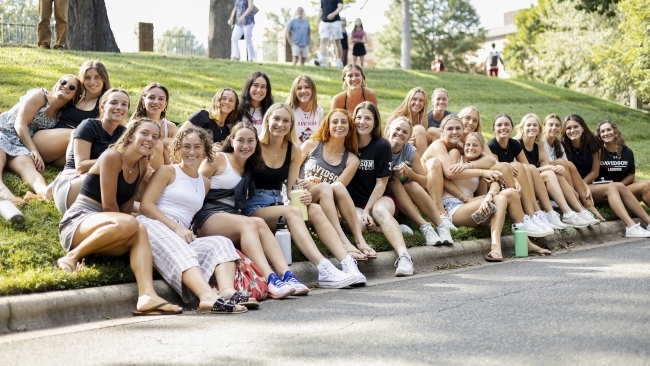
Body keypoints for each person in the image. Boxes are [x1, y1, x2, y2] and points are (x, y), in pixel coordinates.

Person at [55, 118, 183, 316]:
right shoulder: (112, 156)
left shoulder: (141, 164)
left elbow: (127, 205)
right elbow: (108, 206)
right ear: (131, 135)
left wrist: (129, 230)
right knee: (133, 223)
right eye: (145, 134)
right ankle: (72, 257)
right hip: (81, 219)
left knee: (140, 229)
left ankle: (147, 296)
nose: (150, 139)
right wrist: (127, 225)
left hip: (109, 224)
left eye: (155, 137)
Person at [244, 103, 361, 287]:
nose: (280, 124)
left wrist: (303, 194)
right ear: (267, 120)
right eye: (276, 119)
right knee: (292, 213)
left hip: (278, 204)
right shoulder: (254, 145)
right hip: (254, 207)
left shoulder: (293, 150)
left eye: (285, 121)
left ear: (291, 125)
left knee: (313, 208)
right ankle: (323, 268)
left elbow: (292, 190)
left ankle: (347, 263)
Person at [138, 127, 249, 314]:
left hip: (181, 233)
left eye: (197, 147)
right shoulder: (167, 171)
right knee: (180, 247)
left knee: (221, 243)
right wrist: (177, 229)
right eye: (186, 146)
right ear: (178, 149)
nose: (191, 152)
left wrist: (184, 231)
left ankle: (227, 291)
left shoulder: (205, 183)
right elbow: (146, 206)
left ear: (205, 151)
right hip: (154, 225)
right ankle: (206, 297)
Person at [193, 122, 305, 297]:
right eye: (241, 140)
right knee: (248, 224)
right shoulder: (218, 159)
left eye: (250, 141)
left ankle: (287, 275)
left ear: (256, 144)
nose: (245, 146)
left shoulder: (249, 165)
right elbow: (193, 184)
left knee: (259, 223)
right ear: (231, 140)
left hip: (232, 216)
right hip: (208, 214)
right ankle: (269, 278)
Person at [442, 132, 551, 261]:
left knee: (511, 193)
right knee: (500, 198)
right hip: (453, 207)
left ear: (482, 149)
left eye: (475, 145)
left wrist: (489, 196)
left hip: (472, 206)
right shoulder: (456, 155)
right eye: (468, 145)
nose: (471, 148)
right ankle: (495, 247)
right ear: (463, 146)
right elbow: (446, 178)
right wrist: (469, 195)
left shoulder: (482, 163)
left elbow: (495, 182)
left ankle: (525, 242)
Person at [348, 102, 415, 277]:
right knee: (359, 225)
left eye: (368, 118)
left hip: (380, 197)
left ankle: (404, 257)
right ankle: (390, 228)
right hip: (354, 202)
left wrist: (368, 209)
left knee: (379, 211)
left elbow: (381, 183)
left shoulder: (381, 145)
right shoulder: (347, 144)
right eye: (359, 117)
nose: (362, 122)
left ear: (375, 122)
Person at [299, 108, 377, 259]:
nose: (339, 125)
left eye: (344, 122)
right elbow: (290, 176)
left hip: (324, 205)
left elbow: (336, 189)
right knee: (326, 187)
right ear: (327, 126)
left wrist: (315, 185)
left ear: (349, 128)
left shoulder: (352, 160)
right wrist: (304, 183)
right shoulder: (311, 145)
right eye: (335, 122)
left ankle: (360, 241)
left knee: (336, 186)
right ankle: (343, 241)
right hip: (300, 200)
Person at [563, 114, 650, 237]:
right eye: (568, 128)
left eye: (575, 127)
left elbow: (594, 172)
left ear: (583, 127)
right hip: (574, 187)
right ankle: (631, 226)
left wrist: (585, 185)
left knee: (619, 185)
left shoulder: (592, 144)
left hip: (589, 185)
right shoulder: (563, 146)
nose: (572, 131)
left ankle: (648, 222)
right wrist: (582, 186)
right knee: (612, 187)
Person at [0, 75, 80, 205]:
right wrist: (34, 150)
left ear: (75, 96)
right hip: (3, 131)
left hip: (20, 144)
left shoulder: (62, 115)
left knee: (28, 166)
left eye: (71, 87)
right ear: (57, 84)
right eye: (63, 82)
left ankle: (43, 192)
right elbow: (20, 124)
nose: (66, 86)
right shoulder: (40, 96)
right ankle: (5, 194)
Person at [50, 88, 129, 214]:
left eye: (124, 104)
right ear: (103, 107)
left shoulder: (124, 134)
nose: (119, 107)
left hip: (103, 185)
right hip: (73, 180)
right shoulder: (89, 125)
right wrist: (110, 160)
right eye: (113, 103)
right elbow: (81, 166)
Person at [514, 113, 595, 227]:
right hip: (522, 183)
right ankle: (565, 212)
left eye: (534, 125)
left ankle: (575, 211)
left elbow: (546, 170)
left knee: (554, 173)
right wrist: (548, 167)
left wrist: (552, 168)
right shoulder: (516, 144)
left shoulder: (539, 146)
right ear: (522, 128)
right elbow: (521, 171)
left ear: (539, 129)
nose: (532, 128)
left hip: (536, 181)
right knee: (550, 173)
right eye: (528, 125)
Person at [487, 113, 561, 234]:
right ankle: (528, 217)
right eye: (499, 125)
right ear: (494, 129)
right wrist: (515, 178)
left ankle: (534, 215)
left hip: (512, 181)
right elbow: (498, 169)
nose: (503, 127)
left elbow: (527, 167)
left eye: (506, 124)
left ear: (511, 128)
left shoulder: (514, 144)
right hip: (496, 184)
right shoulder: (491, 146)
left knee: (529, 168)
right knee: (517, 166)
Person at [384, 116, 453, 245]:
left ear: (409, 137)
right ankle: (425, 226)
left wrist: (411, 174)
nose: (400, 133)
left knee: (412, 184)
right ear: (388, 129)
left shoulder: (409, 150)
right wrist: (392, 173)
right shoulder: (381, 146)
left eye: (405, 132)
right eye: (397, 129)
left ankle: (441, 226)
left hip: (403, 195)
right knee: (394, 182)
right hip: (384, 193)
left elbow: (424, 182)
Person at [34, 60, 111, 167]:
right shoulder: (74, 97)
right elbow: (53, 100)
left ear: (104, 79)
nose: (92, 82)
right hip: (45, 139)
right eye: (87, 77)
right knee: (78, 133)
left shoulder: (107, 103)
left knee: (82, 138)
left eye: (97, 77)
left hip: (66, 151)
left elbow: (120, 129)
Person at [542, 113, 604, 222]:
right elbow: (546, 166)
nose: (554, 128)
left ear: (560, 128)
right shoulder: (541, 143)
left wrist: (585, 186)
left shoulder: (558, 144)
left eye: (557, 125)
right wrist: (572, 189)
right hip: (545, 181)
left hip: (558, 180)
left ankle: (587, 206)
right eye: (550, 125)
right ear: (543, 127)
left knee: (568, 164)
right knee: (562, 162)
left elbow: (568, 167)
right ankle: (579, 205)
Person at [596, 120, 650, 207]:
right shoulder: (597, 152)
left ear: (615, 131)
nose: (606, 133)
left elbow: (630, 175)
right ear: (599, 135)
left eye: (609, 130)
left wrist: (620, 186)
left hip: (621, 187)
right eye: (602, 131)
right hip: (604, 191)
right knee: (644, 186)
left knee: (649, 183)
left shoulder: (627, 152)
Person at [130, 83, 178, 168]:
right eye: (151, 97)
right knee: (157, 144)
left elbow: (179, 155)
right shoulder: (134, 124)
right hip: (142, 171)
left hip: (168, 172)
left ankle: (175, 179)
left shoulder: (170, 127)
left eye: (161, 99)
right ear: (143, 101)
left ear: (166, 103)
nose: (156, 102)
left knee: (168, 143)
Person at [386, 87, 428, 157]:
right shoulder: (396, 117)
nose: (417, 103)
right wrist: (404, 142)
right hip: (396, 150)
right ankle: (421, 165)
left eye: (421, 100)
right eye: (414, 99)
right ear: (408, 100)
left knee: (432, 132)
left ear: (424, 103)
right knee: (419, 129)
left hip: (413, 152)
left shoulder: (423, 118)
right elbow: (385, 139)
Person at [286, 75, 323, 144]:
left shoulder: (319, 110)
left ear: (313, 90)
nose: (303, 91)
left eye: (307, 87)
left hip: (313, 150)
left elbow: (319, 135)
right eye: (299, 88)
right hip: (294, 149)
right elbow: (288, 136)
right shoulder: (289, 110)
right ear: (294, 92)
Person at [238, 72, 274, 136]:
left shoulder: (272, 112)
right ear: (249, 87)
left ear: (267, 90)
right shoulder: (238, 110)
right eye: (255, 85)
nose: (259, 90)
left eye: (263, 87)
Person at [317, 0, 343, 67]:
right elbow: (321, 10)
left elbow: (340, 7)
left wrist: (333, 14)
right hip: (324, 22)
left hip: (335, 22)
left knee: (337, 41)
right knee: (323, 39)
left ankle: (339, 61)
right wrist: (317, 22)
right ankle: (320, 59)